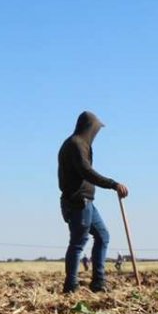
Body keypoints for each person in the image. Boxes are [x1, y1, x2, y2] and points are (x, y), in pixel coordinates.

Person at [58, 111, 128, 293]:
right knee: (78, 243)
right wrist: (113, 184)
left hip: (88, 202)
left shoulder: (80, 144)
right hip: (78, 202)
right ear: (89, 128)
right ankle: (70, 286)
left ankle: (98, 281)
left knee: (103, 236)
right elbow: (86, 171)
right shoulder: (75, 144)